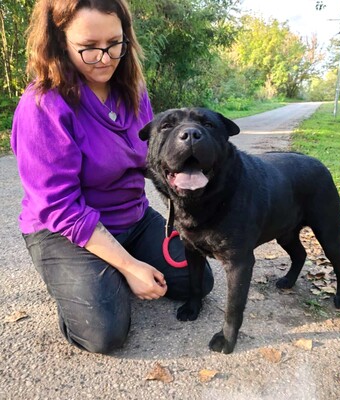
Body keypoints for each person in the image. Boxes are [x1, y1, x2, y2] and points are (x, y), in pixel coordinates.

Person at [11, 0, 213, 354]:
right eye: (88, 48)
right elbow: (59, 207)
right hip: (64, 232)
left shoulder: (133, 91)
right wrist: (130, 266)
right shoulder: (43, 105)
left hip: (131, 218)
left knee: (198, 281)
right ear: (60, 43)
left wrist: (186, 205)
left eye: (114, 44)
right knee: (105, 333)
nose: (104, 58)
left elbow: (152, 161)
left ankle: (109, 271)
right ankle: (79, 277)